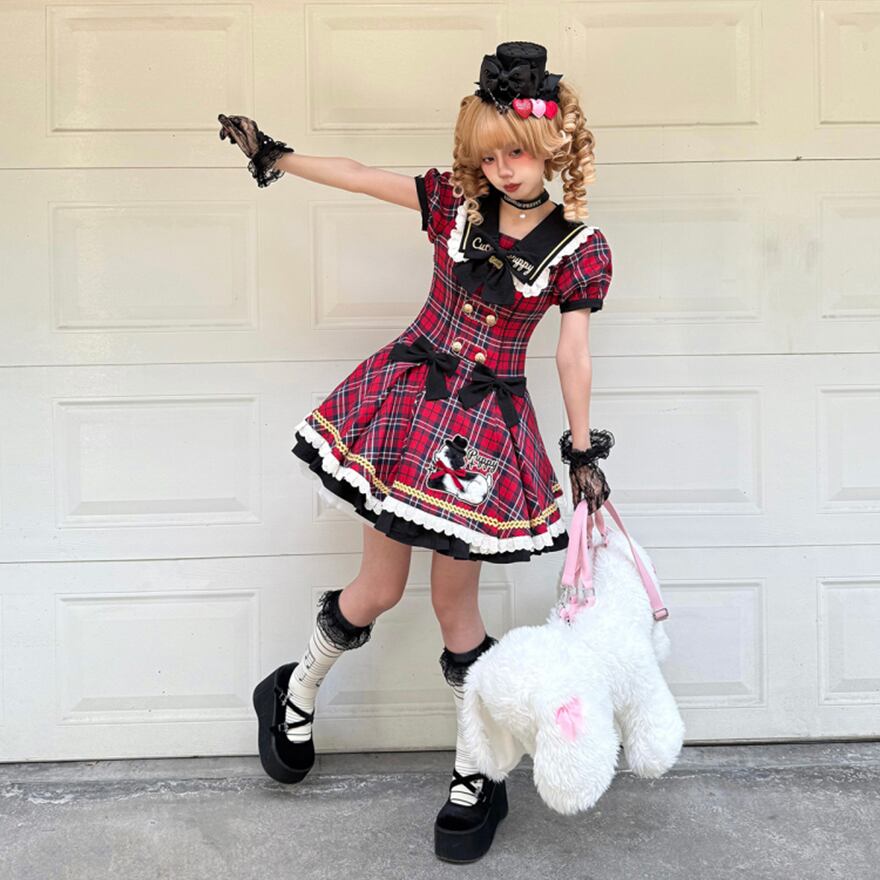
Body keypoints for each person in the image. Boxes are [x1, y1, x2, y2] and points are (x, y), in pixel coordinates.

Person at [219, 40, 615, 863]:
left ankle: (479, 771)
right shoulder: (454, 205)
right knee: (377, 588)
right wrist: (278, 156)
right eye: (489, 156)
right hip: (408, 406)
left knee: (455, 610)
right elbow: (363, 175)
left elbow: (573, 354)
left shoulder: (579, 249)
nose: (501, 170)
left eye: (516, 154)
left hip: (483, 431)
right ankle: (292, 691)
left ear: (552, 147)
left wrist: (582, 454)